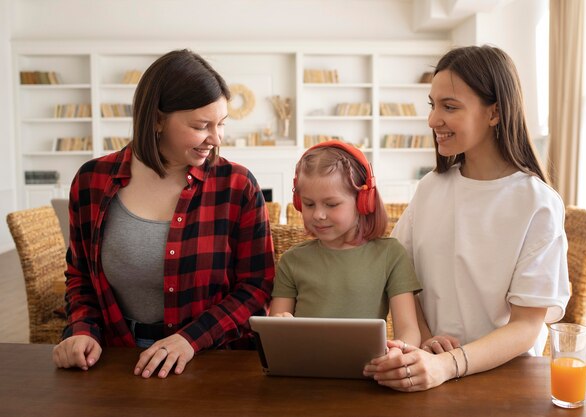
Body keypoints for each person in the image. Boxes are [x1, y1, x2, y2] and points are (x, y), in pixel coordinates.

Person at [52, 49, 274, 378]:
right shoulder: (92, 181)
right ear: (157, 118)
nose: (216, 139)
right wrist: (82, 330)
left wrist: (189, 340)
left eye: (221, 124)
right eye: (201, 126)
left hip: (212, 362)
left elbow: (256, 288)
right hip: (116, 358)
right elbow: (81, 277)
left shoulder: (237, 185)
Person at [363, 45, 570, 391]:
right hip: (433, 371)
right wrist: (428, 342)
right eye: (433, 105)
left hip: (504, 381)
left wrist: (448, 364)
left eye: (450, 107)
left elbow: (526, 326)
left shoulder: (538, 203)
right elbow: (401, 277)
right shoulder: (431, 187)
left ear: (494, 113)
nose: (432, 120)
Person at [270, 140, 422, 347]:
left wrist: (400, 351)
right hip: (306, 368)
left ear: (363, 201)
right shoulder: (292, 260)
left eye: (331, 204)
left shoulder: (390, 254)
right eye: (308, 204)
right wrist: (279, 326)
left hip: (370, 370)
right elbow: (275, 331)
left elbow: (409, 331)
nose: (318, 215)